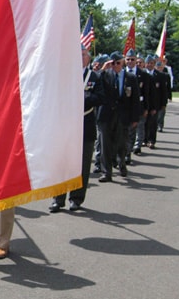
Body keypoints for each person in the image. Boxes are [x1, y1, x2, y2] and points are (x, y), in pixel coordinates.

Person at [50, 47, 105, 211]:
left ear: (88, 58)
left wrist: (82, 98)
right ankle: (58, 199)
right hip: (65, 124)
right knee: (61, 163)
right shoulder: (64, 75)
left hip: (85, 122)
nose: (80, 58)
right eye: (77, 55)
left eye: (83, 55)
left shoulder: (94, 76)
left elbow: (100, 97)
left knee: (82, 164)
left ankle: (76, 198)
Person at [95, 51, 140, 182]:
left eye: (118, 63)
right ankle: (106, 172)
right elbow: (94, 81)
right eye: (112, 63)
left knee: (121, 143)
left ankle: (122, 164)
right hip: (106, 115)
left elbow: (135, 99)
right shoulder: (105, 75)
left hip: (122, 116)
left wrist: (135, 118)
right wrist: (103, 69)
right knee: (105, 145)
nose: (115, 65)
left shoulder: (130, 77)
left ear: (123, 62)